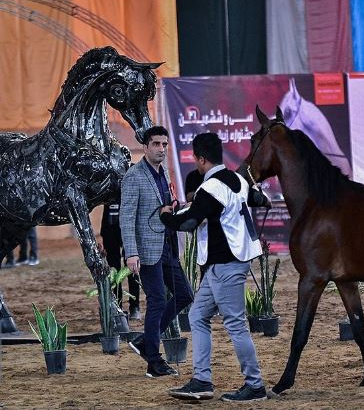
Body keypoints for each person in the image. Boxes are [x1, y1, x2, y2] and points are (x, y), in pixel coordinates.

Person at [160, 132, 271, 402]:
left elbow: (189, 223)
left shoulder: (210, 188)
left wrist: (166, 217)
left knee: (235, 324)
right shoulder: (238, 179)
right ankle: (202, 381)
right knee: (197, 316)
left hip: (225, 264)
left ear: (200, 159)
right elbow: (258, 200)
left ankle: (255, 385)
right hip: (222, 264)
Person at [119, 125, 194, 378]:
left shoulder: (164, 174)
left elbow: (162, 210)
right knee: (157, 301)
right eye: (156, 144)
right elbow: (126, 218)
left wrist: (178, 207)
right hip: (146, 251)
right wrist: (131, 253)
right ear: (146, 146)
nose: (161, 149)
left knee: (185, 295)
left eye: (164, 144)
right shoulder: (134, 175)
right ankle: (153, 361)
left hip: (167, 247)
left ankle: (143, 341)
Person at [100, 199, 141, 320]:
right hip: (110, 227)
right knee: (113, 269)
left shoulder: (130, 181)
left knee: (132, 267)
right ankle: (117, 306)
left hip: (129, 227)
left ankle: (135, 306)